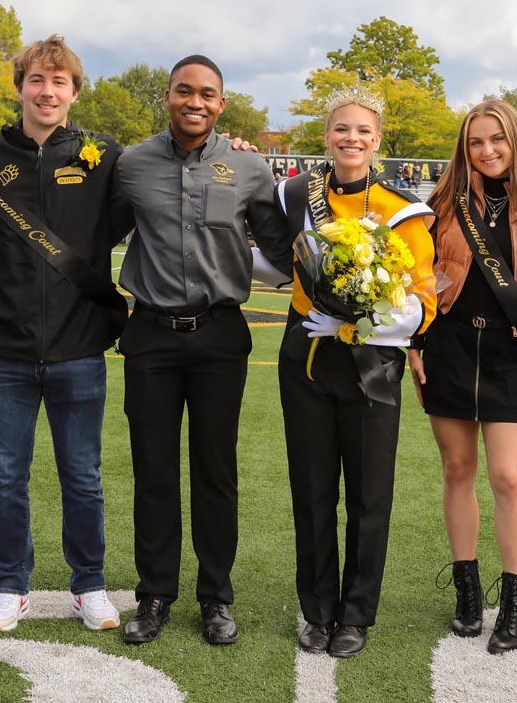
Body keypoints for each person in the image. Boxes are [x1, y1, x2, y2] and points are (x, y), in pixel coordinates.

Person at [116, 55, 291, 646]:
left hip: (219, 335)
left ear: (222, 102)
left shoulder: (247, 166)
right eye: (184, 91)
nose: (195, 102)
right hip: (151, 337)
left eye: (207, 94)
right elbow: (94, 238)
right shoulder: (131, 164)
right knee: (154, 472)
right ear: (167, 96)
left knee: (217, 473)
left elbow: (282, 248)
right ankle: (154, 594)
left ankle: (216, 595)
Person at [264, 86, 436, 658]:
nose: (352, 139)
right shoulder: (295, 195)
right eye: (342, 129)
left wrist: (352, 325)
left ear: (378, 139)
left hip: (373, 367)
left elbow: (421, 303)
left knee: (368, 495)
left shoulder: (401, 207)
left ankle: (356, 615)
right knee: (312, 492)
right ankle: (315, 611)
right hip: (307, 361)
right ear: (327, 135)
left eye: (363, 130)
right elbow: (270, 260)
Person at [0, 35, 125, 635]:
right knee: (5, 477)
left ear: (74, 92)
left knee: (82, 476)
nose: (47, 90)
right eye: (37, 79)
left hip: (79, 349)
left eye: (59, 82)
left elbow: (158, 193)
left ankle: (90, 586)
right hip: (2, 351)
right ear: (20, 86)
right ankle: (11, 587)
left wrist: (229, 151)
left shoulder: (102, 154)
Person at [409, 99, 517, 654]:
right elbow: (416, 281)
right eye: (476, 142)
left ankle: (515, 600)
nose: (487, 150)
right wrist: (414, 344)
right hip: (450, 349)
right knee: (457, 469)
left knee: (507, 477)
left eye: (496, 139)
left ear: (516, 141)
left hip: (514, 355)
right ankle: (468, 593)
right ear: (464, 147)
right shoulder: (438, 205)